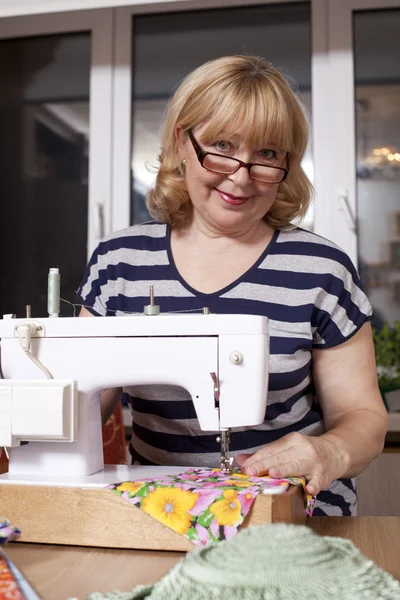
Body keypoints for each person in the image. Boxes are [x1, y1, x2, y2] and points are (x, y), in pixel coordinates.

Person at [78, 55, 387, 516]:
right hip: (156, 516)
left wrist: (329, 451)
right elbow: (80, 404)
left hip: (298, 519)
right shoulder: (121, 264)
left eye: (267, 154)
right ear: (183, 142)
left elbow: (362, 416)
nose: (241, 176)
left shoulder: (321, 268)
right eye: (222, 146)